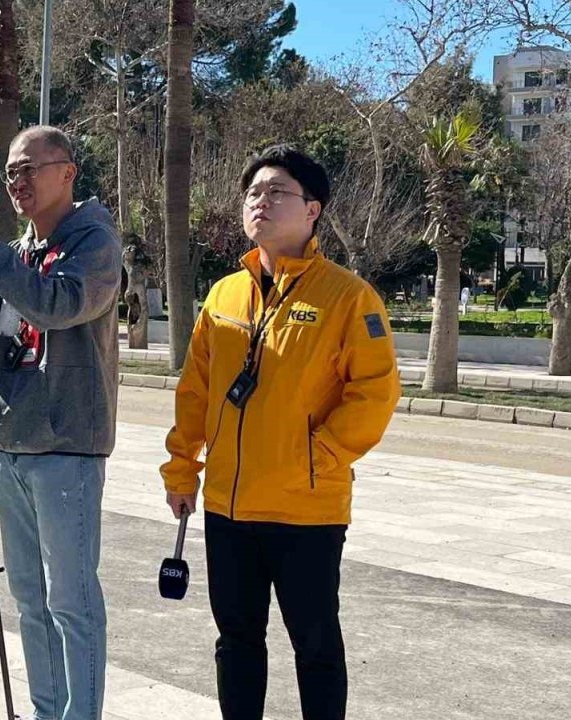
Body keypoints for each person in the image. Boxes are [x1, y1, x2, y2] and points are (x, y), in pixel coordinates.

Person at [160, 144, 401, 720]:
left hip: (306, 509)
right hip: (227, 507)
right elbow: (196, 390)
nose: (260, 202)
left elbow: (374, 393)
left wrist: (318, 456)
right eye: (253, 193)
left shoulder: (348, 297)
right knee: (236, 642)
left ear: (313, 209)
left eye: (276, 192)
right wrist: (181, 467)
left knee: (315, 646)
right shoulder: (223, 295)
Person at [0, 125, 122, 720]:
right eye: (10, 173)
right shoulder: (19, 250)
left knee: (71, 600)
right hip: (10, 443)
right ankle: (47, 711)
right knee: (28, 598)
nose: (17, 182)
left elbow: (55, 305)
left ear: (67, 172)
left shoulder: (95, 244)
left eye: (29, 169)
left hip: (66, 446)